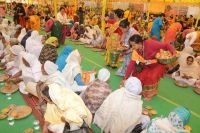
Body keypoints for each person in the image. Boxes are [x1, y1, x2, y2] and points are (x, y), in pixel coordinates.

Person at [123, 35, 176, 100]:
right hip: (145, 64)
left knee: (151, 77)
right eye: (131, 45)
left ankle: (150, 93)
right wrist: (125, 78)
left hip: (157, 64)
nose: (132, 47)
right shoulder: (136, 51)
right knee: (137, 74)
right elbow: (131, 64)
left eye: (134, 45)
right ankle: (142, 91)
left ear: (139, 43)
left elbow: (166, 45)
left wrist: (173, 52)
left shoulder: (150, 43)